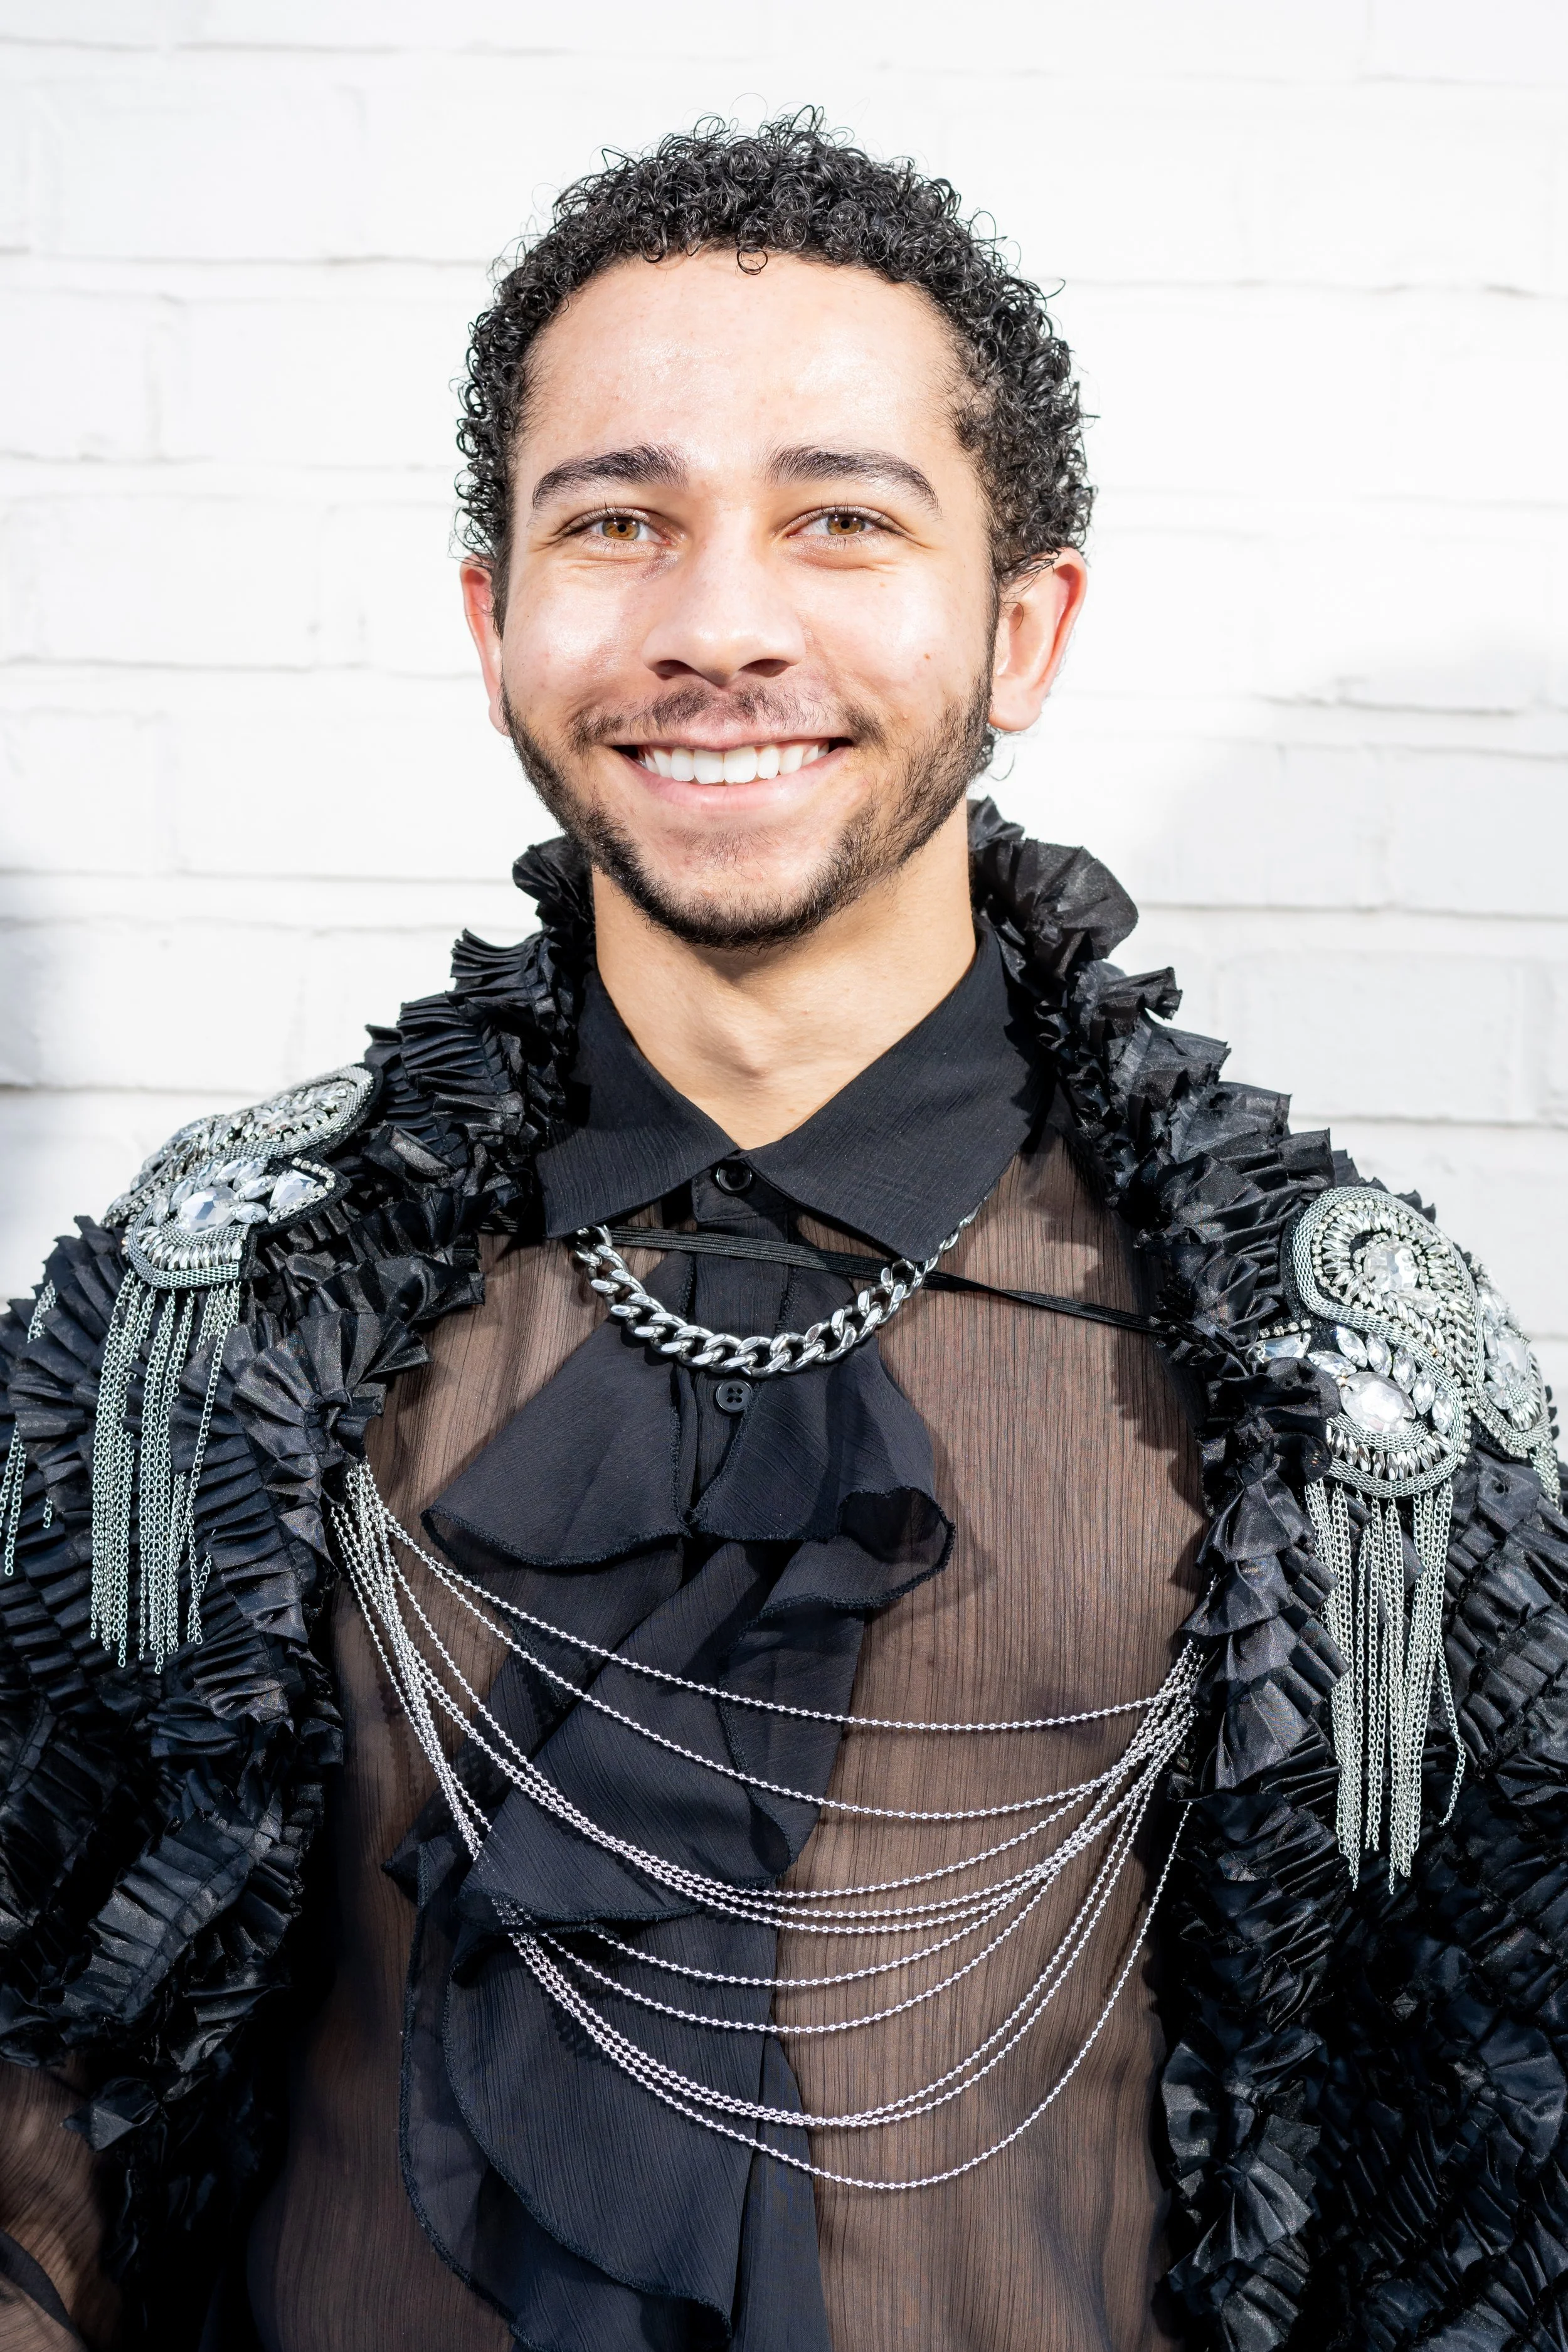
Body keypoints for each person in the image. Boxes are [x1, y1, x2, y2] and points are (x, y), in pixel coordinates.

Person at [1, 112, 1565, 2352]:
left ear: (1024, 625)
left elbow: (1502, 2134)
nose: (718, 624)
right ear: (491, 620)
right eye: (615, 522)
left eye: (841, 521)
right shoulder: (196, 1320)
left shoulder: (1353, 1405)